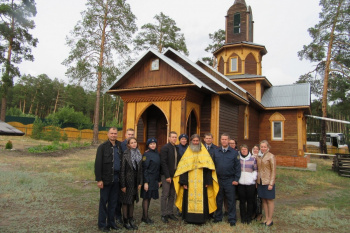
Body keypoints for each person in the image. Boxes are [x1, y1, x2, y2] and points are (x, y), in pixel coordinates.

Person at [173, 134, 219, 224]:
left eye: (197, 141)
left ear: (199, 142)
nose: (195, 142)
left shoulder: (204, 152)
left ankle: (202, 218)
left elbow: (208, 168)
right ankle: (188, 218)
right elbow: (183, 169)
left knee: (203, 200)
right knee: (188, 200)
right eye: (193, 141)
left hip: (202, 182)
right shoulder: (187, 152)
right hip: (189, 182)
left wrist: (208, 181)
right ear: (191, 142)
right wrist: (183, 182)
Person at [94, 127, 122, 232]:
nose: (113, 135)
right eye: (112, 133)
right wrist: (99, 179)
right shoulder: (102, 147)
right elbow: (98, 164)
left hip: (117, 178)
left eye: (115, 133)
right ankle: (102, 224)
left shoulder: (120, 146)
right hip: (106, 179)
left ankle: (111, 223)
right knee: (104, 202)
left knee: (113, 202)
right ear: (108, 134)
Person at [213, 133, 241, 227]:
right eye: (222, 139)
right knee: (218, 200)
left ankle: (232, 219)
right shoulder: (216, 152)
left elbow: (238, 167)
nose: (224, 141)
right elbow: (212, 166)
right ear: (220, 140)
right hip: (219, 179)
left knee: (231, 200)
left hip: (230, 180)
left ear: (228, 140)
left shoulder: (234, 153)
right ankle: (218, 217)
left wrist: (236, 179)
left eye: (226, 139)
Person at [120, 137, 143, 230]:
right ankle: (125, 221)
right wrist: (123, 185)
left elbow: (140, 170)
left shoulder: (139, 154)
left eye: (135, 142)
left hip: (135, 182)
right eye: (131, 143)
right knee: (126, 201)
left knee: (132, 200)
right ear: (128, 144)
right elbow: (122, 171)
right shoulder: (125, 154)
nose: (134, 144)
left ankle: (131, 218)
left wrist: (140, 182)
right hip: (127, 182)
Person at [160, 131, 181, 223]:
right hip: (166, 176)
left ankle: (170, 212)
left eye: (175, 137)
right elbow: (163, 163)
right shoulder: (165, 148)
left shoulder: (176, 148)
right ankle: (163, 214)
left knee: (172, 195)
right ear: (169, 138)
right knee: (165, 194)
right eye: (172, 137)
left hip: (175, 175)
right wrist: (167, 176)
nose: (174, 139)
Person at [116, 128, 135, 224]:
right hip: (122, 174)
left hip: (131, 178)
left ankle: (129, 216)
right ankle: (119, 216)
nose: (130, 136)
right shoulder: (120, 145)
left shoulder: (134, 146)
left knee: (129, 198)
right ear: (125, 135)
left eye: (132, 134)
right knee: (121, 198)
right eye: (129, 134)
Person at [141, 138, 161, 224]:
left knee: (149, 198)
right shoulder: (146, 154)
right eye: (151, 144)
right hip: (148, 179)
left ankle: (145, 216)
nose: (153, 145)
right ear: (148, 145)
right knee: (146, 198)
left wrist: (159, 180)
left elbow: (159, 168)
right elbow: (144, 169)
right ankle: (145, 217)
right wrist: (145, 182)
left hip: (154, 179)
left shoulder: (157, 153)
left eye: (154, 143)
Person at [256, 140, 276, 227]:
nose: (263, 148)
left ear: (268, 147)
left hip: (268, 182)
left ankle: (270, 219)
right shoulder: (259, 156)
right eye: (261, 147)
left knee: (269, 200)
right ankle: (266, 218)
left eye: (264, 147)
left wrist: (271, 183)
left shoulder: (271, 156)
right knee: (263, 200)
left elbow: (273, 171)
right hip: (260, 181)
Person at [237, 144, 257, 224]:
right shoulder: (238, 159)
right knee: (242, 201)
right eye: (242, 149)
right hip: (241, 183)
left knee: (250, 201)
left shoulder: (252, 159)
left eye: (245, 149)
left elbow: (255, 170)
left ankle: (249, 217)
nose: (244, 150)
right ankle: (243, 217)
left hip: (250, 184)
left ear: (248, 150)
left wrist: (252, 178)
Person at [251, 144, 262, 221]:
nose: (255, 150)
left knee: (259, 198)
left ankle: (259, 214)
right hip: (251, 180)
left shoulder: (261, 158)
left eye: (257, 149)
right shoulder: (250, 157)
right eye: (254, 149)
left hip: (259, 180)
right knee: (253, 198)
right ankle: (253, 212)